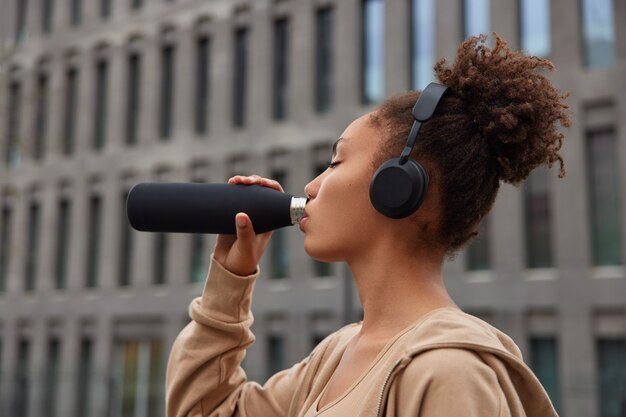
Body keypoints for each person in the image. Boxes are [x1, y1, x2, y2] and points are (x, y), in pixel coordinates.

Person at [166, 33, 570, 417]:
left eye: (336, 161)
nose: (311, 186)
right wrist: (230, 278)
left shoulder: (450, 368)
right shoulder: (335, 356)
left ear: (397, 186)